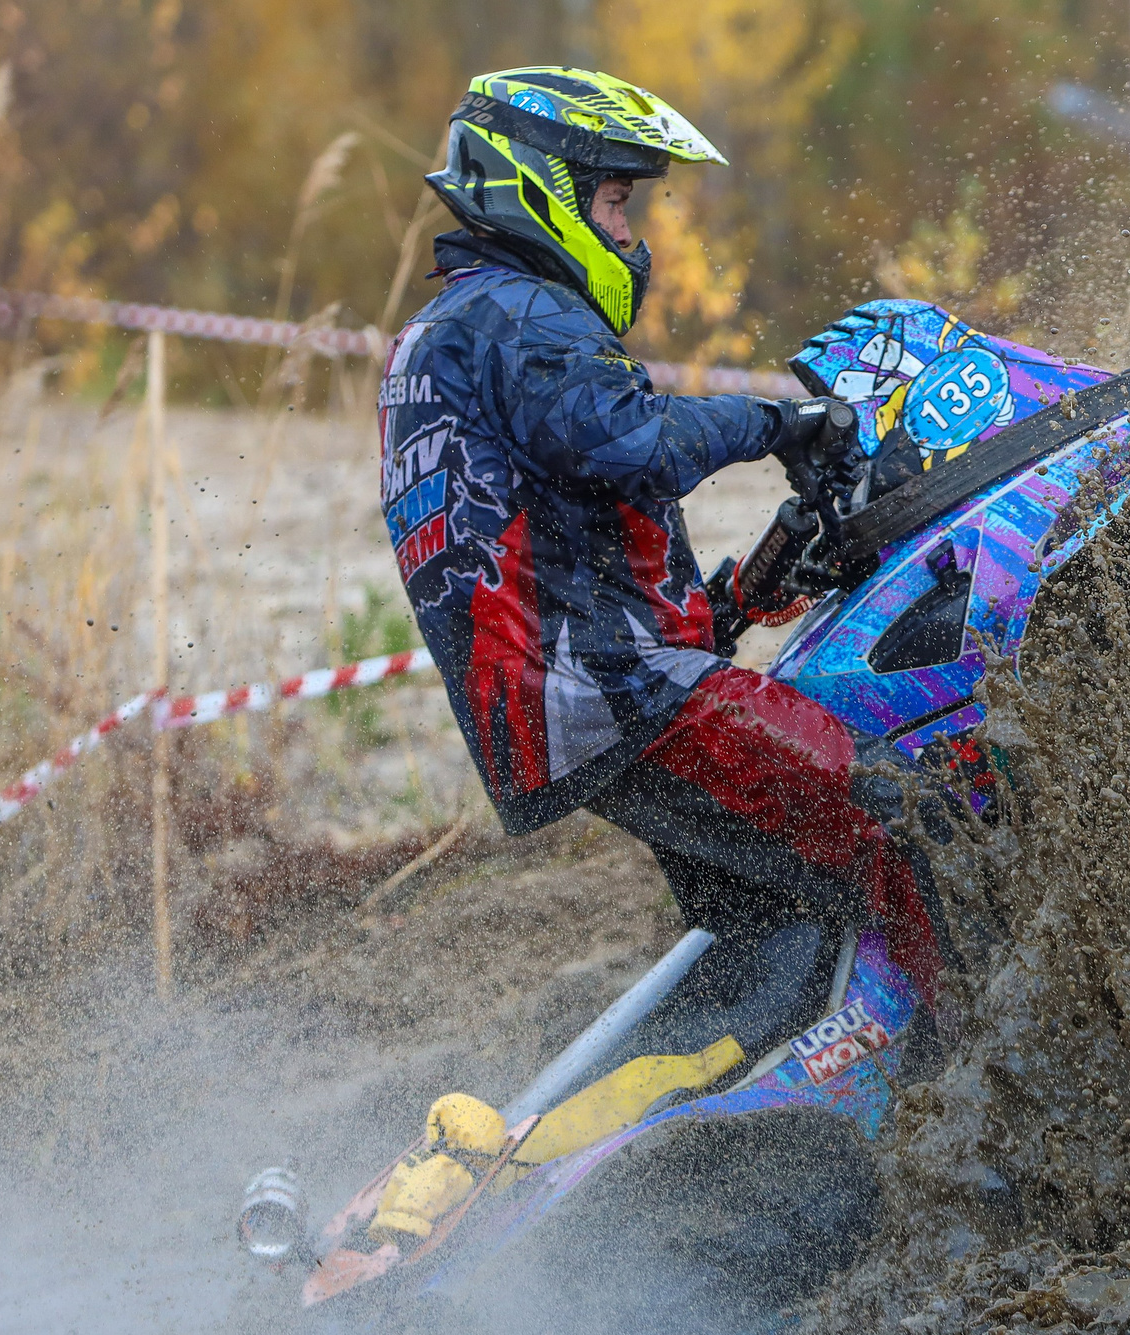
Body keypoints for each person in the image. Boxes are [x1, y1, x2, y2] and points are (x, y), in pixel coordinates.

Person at [375, 66, 948, 1056]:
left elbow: (561, 555)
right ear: (541, 189)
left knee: (784, 941)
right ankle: (1009, 1086)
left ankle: (658, 1161)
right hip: (622, 698)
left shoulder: (447, 335)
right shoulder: (518, 315)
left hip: (586, 709)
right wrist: (785, 420)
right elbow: (628, 440)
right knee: (922, 830)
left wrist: (741, 589)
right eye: (613, 201)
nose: (630, 233)